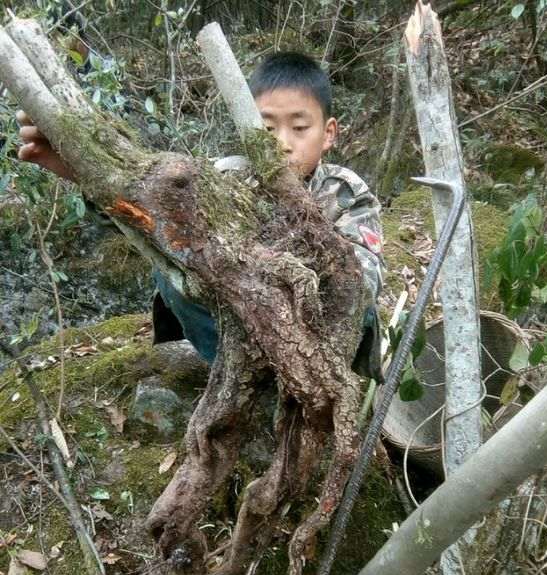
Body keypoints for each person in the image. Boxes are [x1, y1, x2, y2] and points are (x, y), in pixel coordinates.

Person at [17, 51, 384, 379]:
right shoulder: (223, 178)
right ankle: (245, 379)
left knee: (356, 305)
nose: (283, 143)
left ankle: (311, 385)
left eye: (300, 128)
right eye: (266, 128)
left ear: (328, 133)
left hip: (321, 342)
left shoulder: (346, 194)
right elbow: (144, 211)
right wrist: (78, 169)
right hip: (243, 338)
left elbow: (362, 287)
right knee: (174, 272)